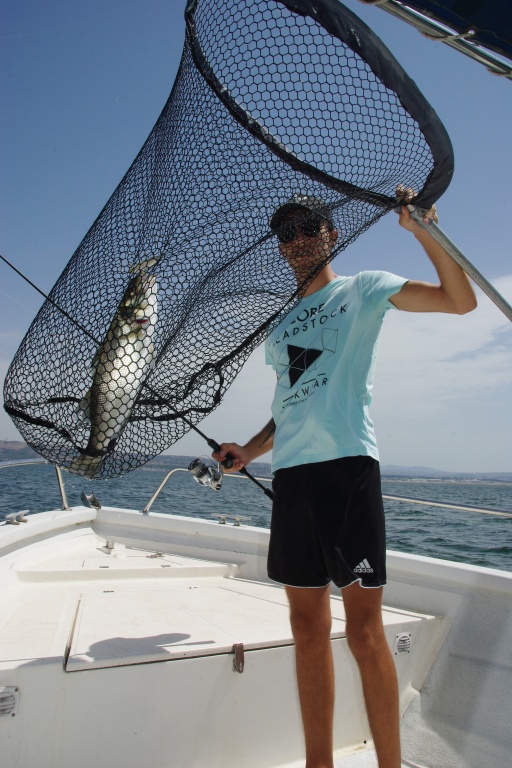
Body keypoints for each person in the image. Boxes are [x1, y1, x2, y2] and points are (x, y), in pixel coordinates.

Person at [212, 189, 477, 768]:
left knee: (363, 632)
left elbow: (461, 302)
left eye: (309, 228)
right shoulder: (280, 326)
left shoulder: (365, 288)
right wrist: (250, 450)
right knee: (306, 627)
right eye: (287, 235)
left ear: (332, 234)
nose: (299, 241)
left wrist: (424, 233)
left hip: (347, 472)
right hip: (293, 482)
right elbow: (289, 403)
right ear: (281, 251)